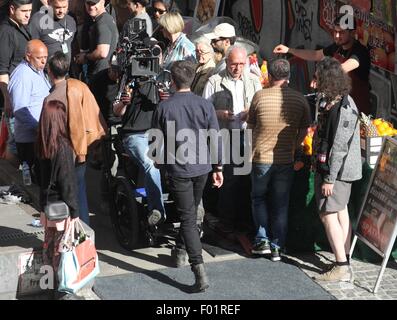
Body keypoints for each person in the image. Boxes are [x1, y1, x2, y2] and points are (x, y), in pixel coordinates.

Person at [152, 60, 223, 292]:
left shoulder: (164, 107)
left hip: (179, 168)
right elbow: (215, 137)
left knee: (188, 218)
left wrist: (157, 159)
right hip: (201, 167)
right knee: (190, 211)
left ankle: (198, 269)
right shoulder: (204, 105)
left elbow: (156, 143)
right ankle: (181, 252)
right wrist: (218, 167)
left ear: (172, 81)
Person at [247, 58, 311, 261]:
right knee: (281, 203)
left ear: (271, 76)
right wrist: (294, 145)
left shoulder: (259, 97)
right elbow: (304, 129)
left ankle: (262, 240)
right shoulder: (300, 99)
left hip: (260, 158)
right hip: (286, 159)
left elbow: (250, 128)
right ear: (288, 77)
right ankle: (277, 246)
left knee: (259, 199)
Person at [312, 57, 362, 282]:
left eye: (318, 78)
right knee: (341, 211)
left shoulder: (344, 107)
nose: (314, 83)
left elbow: (340, 146)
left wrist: (330, 178)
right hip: (337, 169)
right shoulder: (334, 100)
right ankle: (345, 260)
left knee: (328, 214)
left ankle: (341, 266)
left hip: (337, 171)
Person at [202, 46, 261, 233]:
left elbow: (260, 107)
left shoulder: (253, 80)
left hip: (247, 135)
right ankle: (226, 221)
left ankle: (244, 219)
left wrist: (249, 112)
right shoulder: (214, 81)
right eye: (234, 64)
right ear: (226, 62)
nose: (237, 68)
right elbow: (204, 110)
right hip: (226, 136)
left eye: (241, 64)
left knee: (246, 180)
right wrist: (219, 113)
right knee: (228, 180)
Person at [45, 51, 107, 225]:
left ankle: (77, 239)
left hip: (67, 154)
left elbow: (72, 127)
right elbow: (95, 113)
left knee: (69, 201)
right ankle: (84, 236)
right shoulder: (80, 86)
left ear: (49, 71)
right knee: (80, 193)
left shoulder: (53, 98)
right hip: (82, 149)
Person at [273, 14, 371, 115]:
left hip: (356, 109)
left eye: (341, 32)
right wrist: (289, 50)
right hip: (338, 105)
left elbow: (342, 68)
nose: (337, 36)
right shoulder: (337, 47)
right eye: (335, 31)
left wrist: (319, 75)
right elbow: (315, 54)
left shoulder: (360, 53)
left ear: (352, 33)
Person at [36, 99, 80, 300]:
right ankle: (63, 292)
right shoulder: (63, 147)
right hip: (62, 209)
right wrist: (75, 212)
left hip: (47, 206)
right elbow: (68, 184)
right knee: (62, 251)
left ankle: (48, 288)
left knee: (49, 247)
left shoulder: (42, 144)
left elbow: (38, 177)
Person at [112, 75, 165, 226]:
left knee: (183, 157)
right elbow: (117, 111)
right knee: (150, 163)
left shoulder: (162, 80)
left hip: (158, 132)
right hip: (134, 134)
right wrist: (124, 102)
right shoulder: (128, 81)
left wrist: (164, 97)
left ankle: (194, 208)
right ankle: (157, 211)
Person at [8, 39, 51, 172]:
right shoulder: (22, 76)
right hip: (30, 140)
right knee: (34, 180)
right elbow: (20, 110)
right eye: (39, 58)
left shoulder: (37, 70)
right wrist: (38, 128)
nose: (44, 61)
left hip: (40, 137)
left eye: (45, 57)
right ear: (28, 56)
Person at [0, 0, 33, 163]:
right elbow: (2, 68)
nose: (28, 14)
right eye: (24, 11)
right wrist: (7, 99)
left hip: (25, 96)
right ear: (12, 9)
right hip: (14, 99)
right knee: (15, 144)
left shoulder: (23, 26)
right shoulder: (6, 32)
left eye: (30, 10)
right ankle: (12, 180)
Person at [74, 0, 118, 84]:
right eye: (88, 3)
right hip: (102, 75)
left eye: (94, 3)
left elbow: (102, 53)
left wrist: (85, 57)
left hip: (101, 77)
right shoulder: (103, 19)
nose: (91, 7)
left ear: (102, 2)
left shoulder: (102, 22)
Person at [157, 11, 196, 80]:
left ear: (169, 27)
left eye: (162, 27)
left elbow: (191, 73)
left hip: (175, 88)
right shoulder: (171, 44)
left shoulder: (185, 46)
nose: (161, 30)